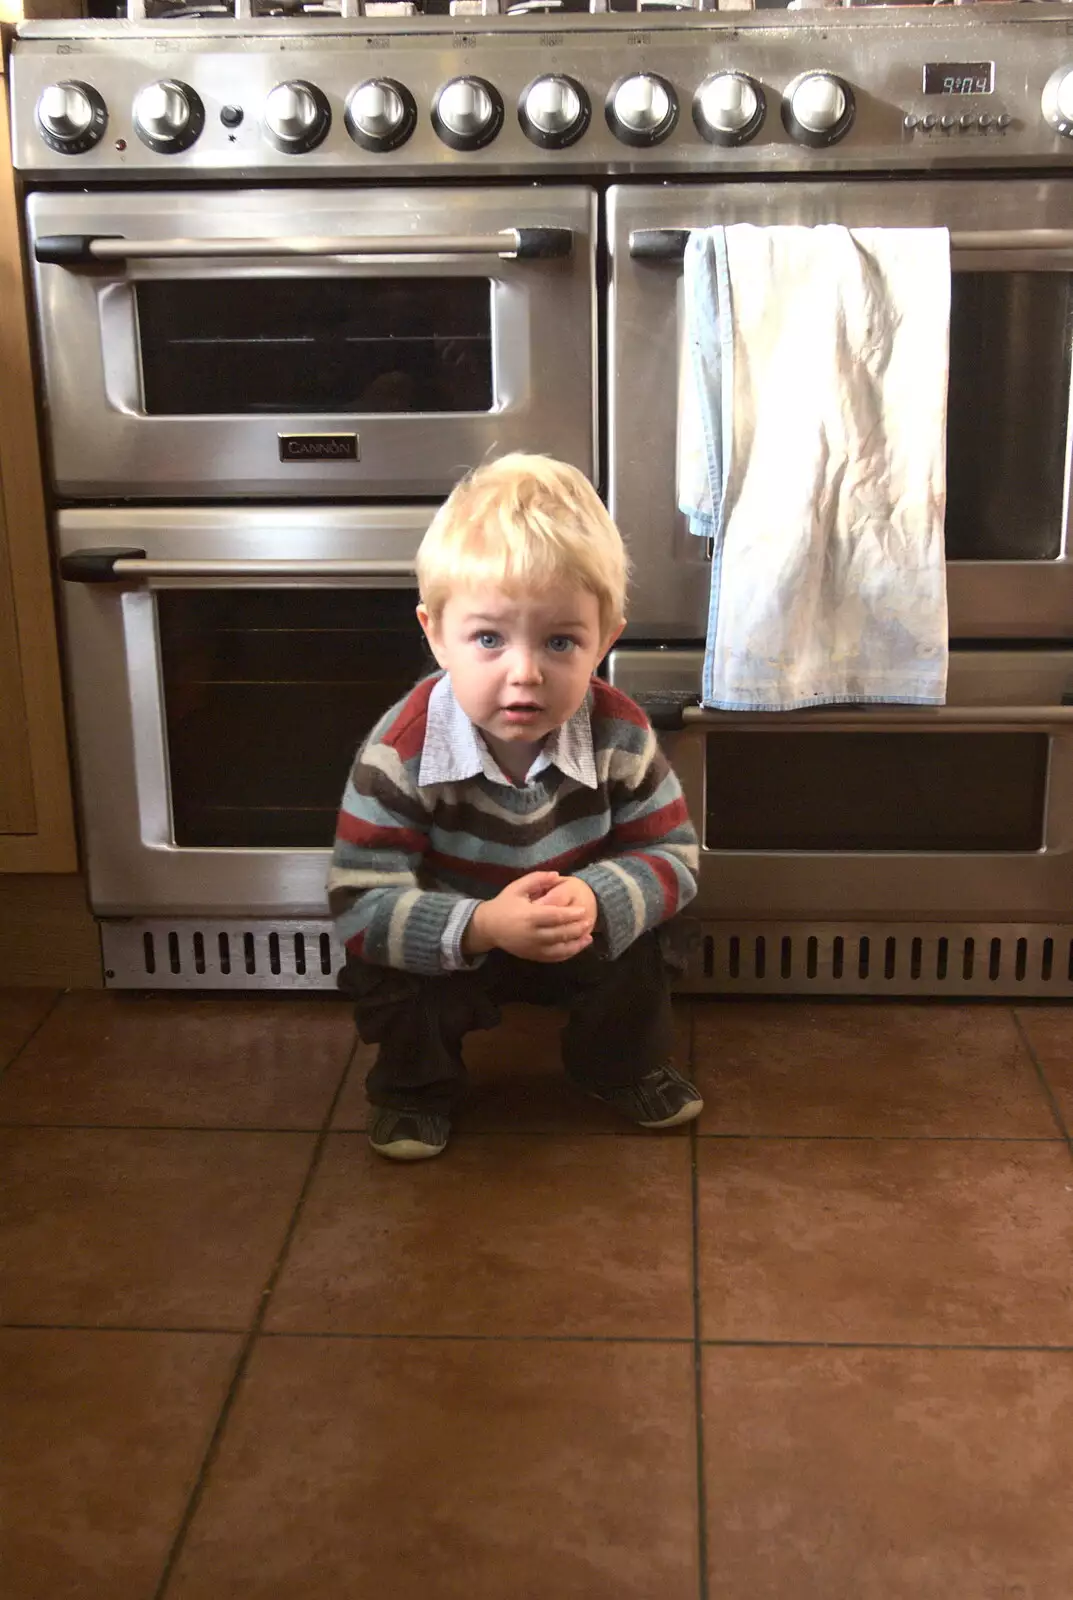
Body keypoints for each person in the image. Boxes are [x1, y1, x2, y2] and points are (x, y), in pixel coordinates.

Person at [328, 453, 702, 1161]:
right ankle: (413, 1088)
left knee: (657, 932)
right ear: (435, 632)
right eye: (489, 639)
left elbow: (675, 856)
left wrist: (595, 900)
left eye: (560, 641)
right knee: (389, 975)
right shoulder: (401, 752)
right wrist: (485, 925)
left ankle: (619, 1065)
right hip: (455, 937)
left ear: (605, 640)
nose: (524, 672)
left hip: (573, 925)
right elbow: (359, 902)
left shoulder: (619, 733)